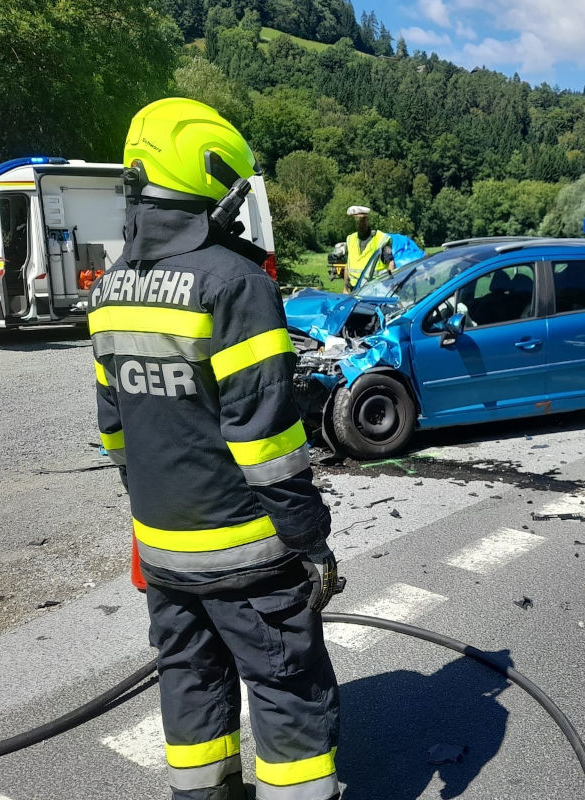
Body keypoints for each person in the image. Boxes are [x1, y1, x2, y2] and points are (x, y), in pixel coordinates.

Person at [88, 97, 342, 800]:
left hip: (162, 549)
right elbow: (265, 439)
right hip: (247, 552)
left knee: (190, 687)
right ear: (213, 177)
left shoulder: (110, 290)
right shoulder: (234, 282)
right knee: (287, 689)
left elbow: (115, 428)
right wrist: (310, 539)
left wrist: (154, 504)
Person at [343, 205, 394, 291]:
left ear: (367, 220)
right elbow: (347, 266)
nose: (360, 224)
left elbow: (391, 263)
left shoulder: (380, 239)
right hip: (355, 290)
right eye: (357, 221)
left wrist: (390, 286)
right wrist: (345, 289)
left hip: (376, 290)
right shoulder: (351, 239)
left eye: (363, 220)